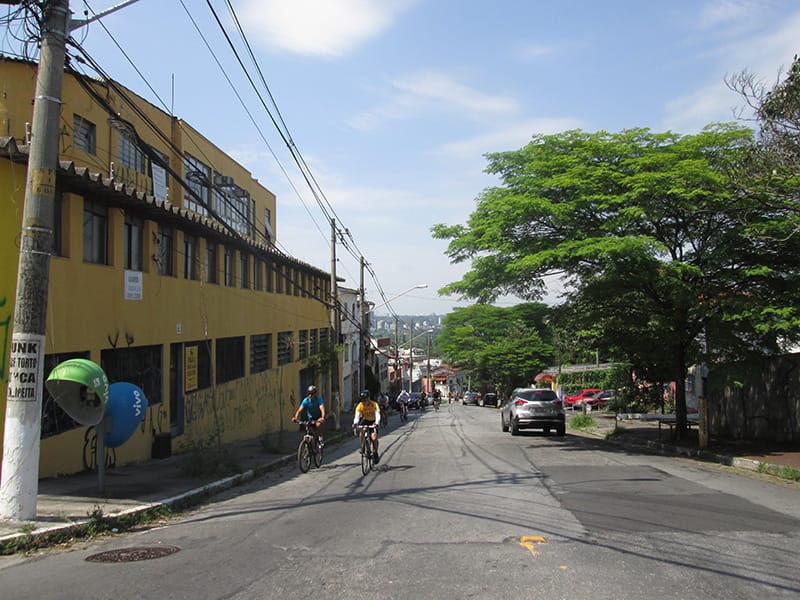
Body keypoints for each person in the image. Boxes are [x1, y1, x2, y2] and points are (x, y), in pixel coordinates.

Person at [353, 390, 381, 464]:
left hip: (373, 421)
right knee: (362, 432)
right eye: (362, 400)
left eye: (365, 399)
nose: (364, 401)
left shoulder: (374, 404)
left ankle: (375, 452)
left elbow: (377, 414)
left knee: (374, 438)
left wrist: (376, 423)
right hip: (365, 420)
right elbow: (357, 416)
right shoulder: (360, 406)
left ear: (369, 398)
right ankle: (363, 447)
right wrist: (355, 423)